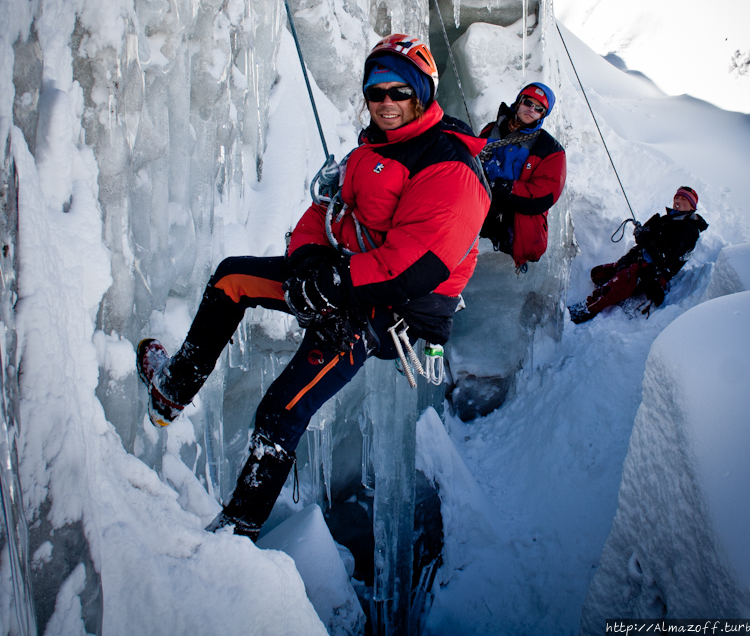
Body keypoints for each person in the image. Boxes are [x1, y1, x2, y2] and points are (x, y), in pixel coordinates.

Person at [136, 34, 491, 540]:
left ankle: (236, 533)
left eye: (399, 92)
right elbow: (324, 211)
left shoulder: (450, 166)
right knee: (233, 279)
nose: (386, 104)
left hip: (389, 312)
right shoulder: (373, 149)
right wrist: (306, 265)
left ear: (422, 94)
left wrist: (331, 283)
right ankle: (171, 390)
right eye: (376, 93)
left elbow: (412, 266)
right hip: (339, 279)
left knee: (282, 409)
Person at [568, 186, 708, 323]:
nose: (678, 200)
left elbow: (667, 257)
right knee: (597, 274)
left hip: (652, 272)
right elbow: (648, 240)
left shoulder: (690, 229)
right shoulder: (667, 220)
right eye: (676, 197)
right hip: (638, 261)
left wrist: (646, 238)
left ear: (692, 206)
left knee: (623, 279)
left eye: (683, 198)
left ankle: (590, 307)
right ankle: (621, 289)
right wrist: (643, 232)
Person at [479, 82, 567, 271]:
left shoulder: (550, 149)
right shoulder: (491, 130)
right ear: (518, 102)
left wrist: (505, 188)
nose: (531, 110)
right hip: (480, 207)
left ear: (543, 114)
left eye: (539, 108)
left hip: (512, 224)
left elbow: (545, 193)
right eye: (528, 103)